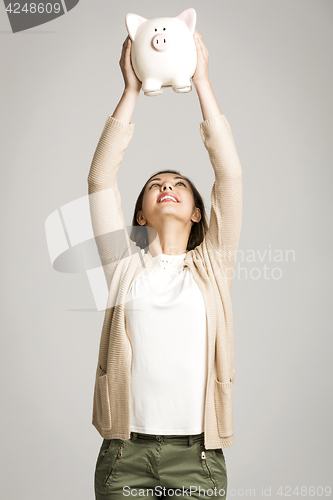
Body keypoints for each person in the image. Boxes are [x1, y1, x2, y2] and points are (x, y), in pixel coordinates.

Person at [88, 29, 243, 500]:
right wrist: (132, 89)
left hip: (197, 458)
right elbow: (100, 178)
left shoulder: (213, 266)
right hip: (124, 455)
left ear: (198, 210)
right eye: (156, 184)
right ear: (140, 213)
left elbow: (229, 177)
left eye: (179, 183)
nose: (167, 186)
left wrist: (202, 84)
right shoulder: (124, 268)